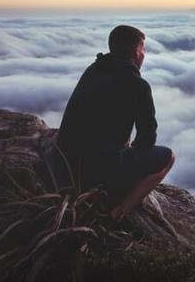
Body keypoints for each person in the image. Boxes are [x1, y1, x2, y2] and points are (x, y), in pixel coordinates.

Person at [57, 24, 175, 220]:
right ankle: (116, 213)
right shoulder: (137, 84)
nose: (143, 55)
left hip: (65, 165)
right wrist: (127, 153)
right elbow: (147, 139)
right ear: (137, 52)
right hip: (95, 172)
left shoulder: (93, 69)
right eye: (143, 50)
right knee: (168, 157)